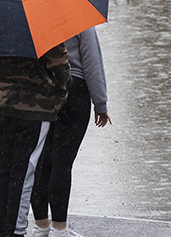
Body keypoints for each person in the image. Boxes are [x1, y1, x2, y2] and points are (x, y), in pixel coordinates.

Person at [0, 44, 71, 237]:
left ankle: (4, 225)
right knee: (25, 168)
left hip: (1, 105)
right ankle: (16, 229)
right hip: (35, 109)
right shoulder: (43, 24)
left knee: (2, 167)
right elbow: (59, 67)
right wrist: (61, 88)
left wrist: (7, 72)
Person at [30, 27, 112, 237]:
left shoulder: (32, 13)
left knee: (40, 160)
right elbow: (92, 61)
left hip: (41, 92)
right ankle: (59, 228)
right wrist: (100, 103)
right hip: (75, 91)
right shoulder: (77, 16)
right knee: (62, 162)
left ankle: (41, 224)